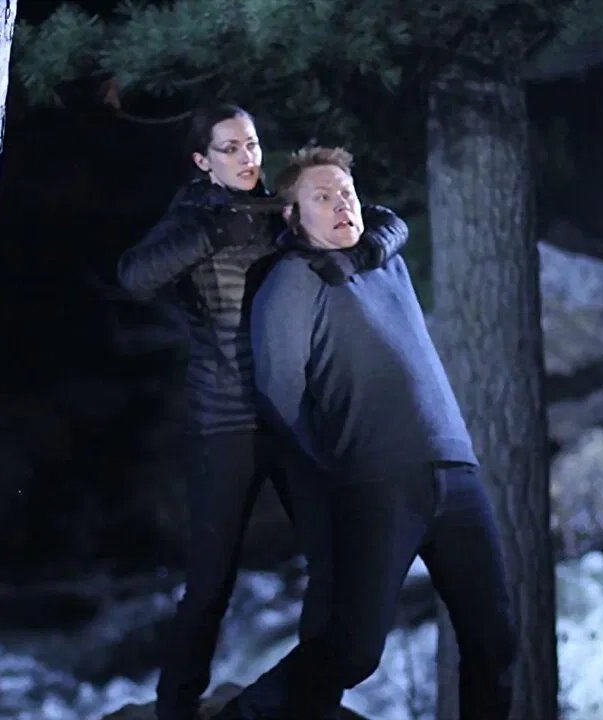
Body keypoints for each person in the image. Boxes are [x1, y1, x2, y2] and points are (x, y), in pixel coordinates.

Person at [116, 105, 409, 720]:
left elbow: (383, 221)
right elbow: (135, 275)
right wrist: (210, 236)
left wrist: (368, 250)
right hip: (225, 421)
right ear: (202, 160)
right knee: (211, 581)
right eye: (230, 149)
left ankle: (309, 700)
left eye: (251, 144)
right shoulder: (193, 213)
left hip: (296, 416)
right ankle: (175, 710)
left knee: (331, 563)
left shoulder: (280, 207)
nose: (247, 158)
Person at [217, 146, 516, 720]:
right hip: (380, 479)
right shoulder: (293, 279)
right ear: (292, 216)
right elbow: (278, 393)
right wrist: (335, 464)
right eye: (321, 197)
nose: (340, 205)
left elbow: (387, 222)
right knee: (354, 651)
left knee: (495, 638)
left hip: (455, 469)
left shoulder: (384, 258)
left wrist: (375, 234)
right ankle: (246, 715)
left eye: (346, 193)